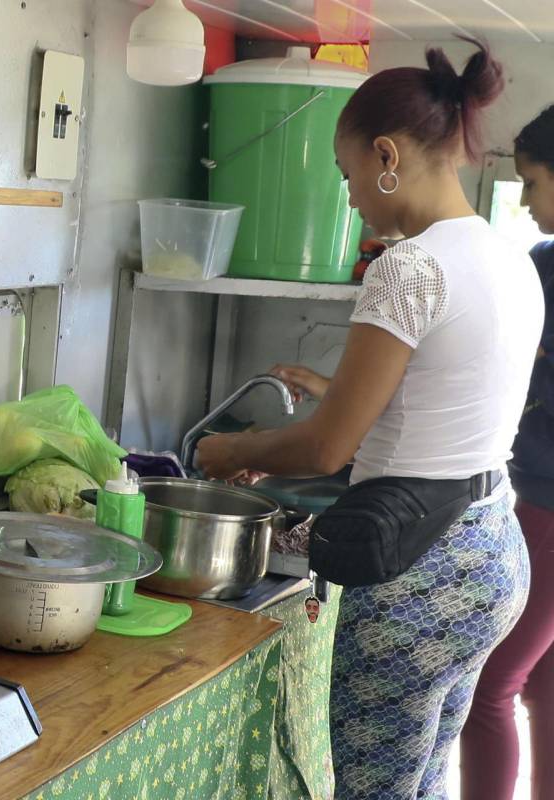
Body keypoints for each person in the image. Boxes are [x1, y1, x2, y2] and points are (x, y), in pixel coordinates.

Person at [196, 41, 543, 800]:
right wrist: (278, 452)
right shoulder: (507, 254)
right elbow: (423, 416)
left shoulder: (409, 268)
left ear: (386, 155)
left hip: (418, 576)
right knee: (420, 783)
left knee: (373, 792)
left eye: (348, 173)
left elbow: (327, 446)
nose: (350, 196)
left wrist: (231, 451)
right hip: (490, 553)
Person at [460, 105, 554, 800]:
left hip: (551, 512)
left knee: (487, 684)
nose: (524, 200)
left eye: (531, 181)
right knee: (543, 687)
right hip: (539, 497)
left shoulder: (546, 270)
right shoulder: (541, 264)